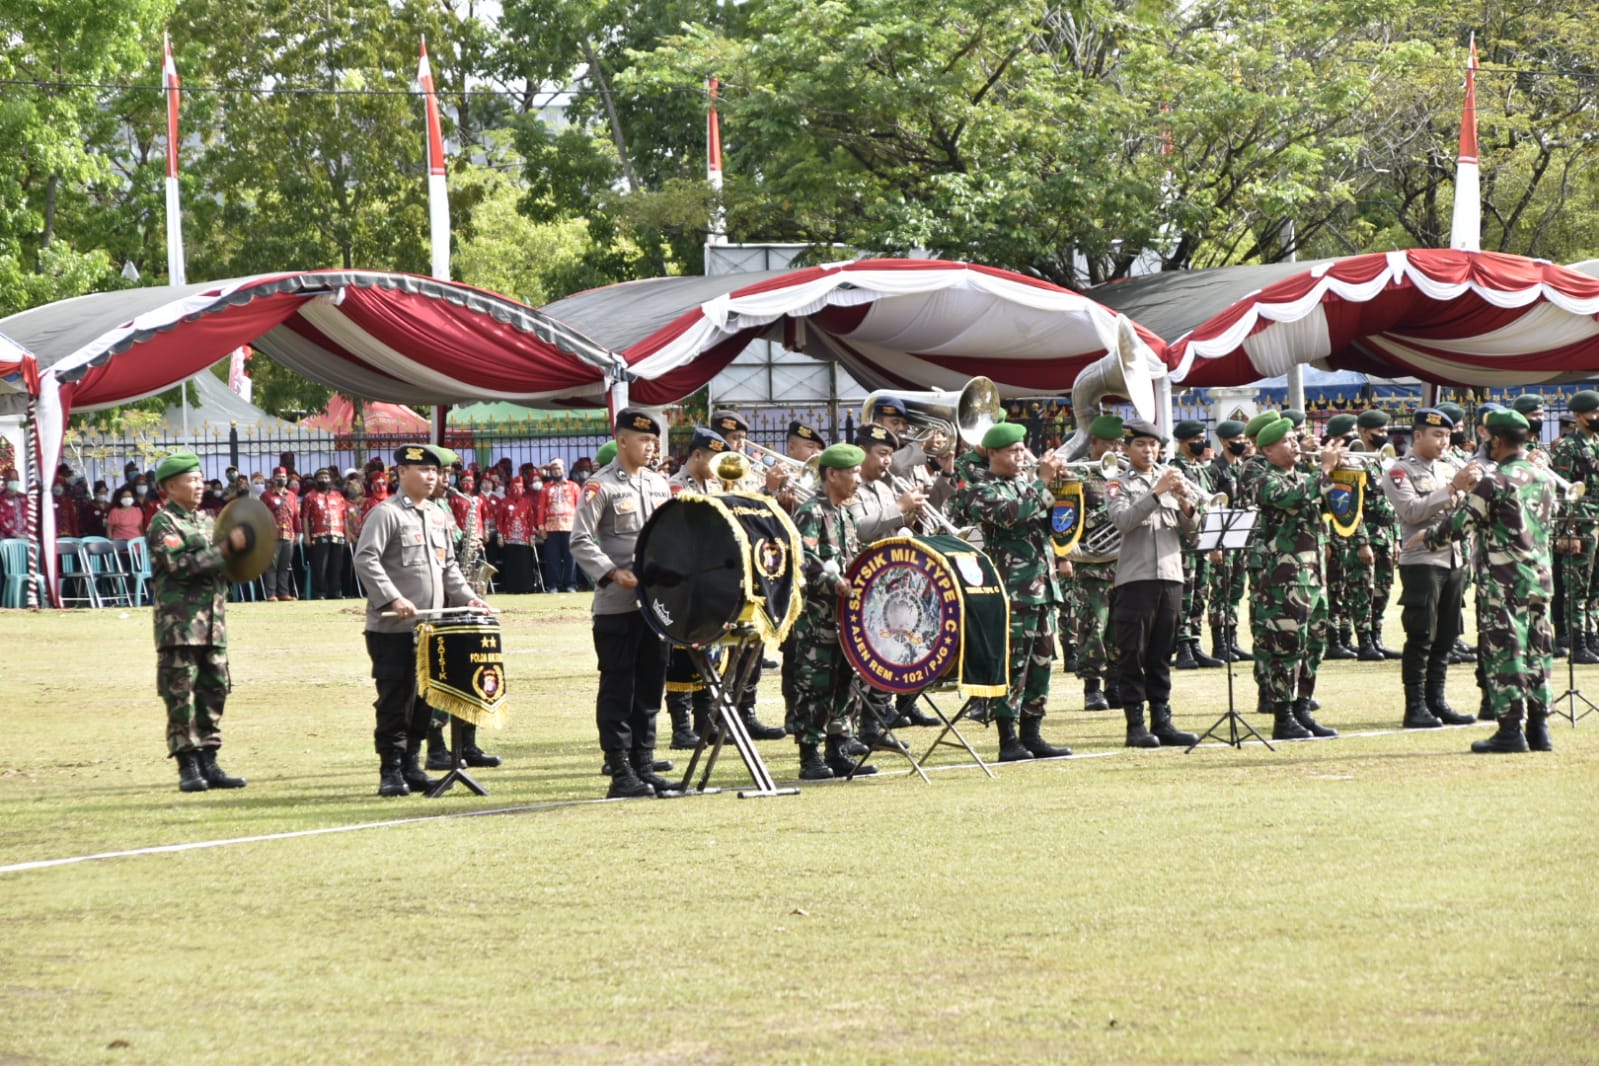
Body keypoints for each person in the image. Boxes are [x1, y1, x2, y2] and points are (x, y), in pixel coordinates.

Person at [1409, 409, 1557, 753]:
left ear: (1498, 440)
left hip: (1505, 581)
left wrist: (1425, 538)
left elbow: (1460, 524)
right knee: (1538, 652)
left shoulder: (1496, 481)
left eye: (1489, 438)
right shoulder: (1542, 477)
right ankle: (1539, 727)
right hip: (1539, 578)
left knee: (1505, 652)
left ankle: (1509, 730)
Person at [353, 444, 490, 797]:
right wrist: (393, 597)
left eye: (434, 471)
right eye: (423, 470)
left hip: (432, 626)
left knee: (424, 700)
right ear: (401, 473)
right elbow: (366, 560)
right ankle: (391, 769)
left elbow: (448, 569)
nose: (431, 477)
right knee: (396, 699)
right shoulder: (386, 514)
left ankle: (413, 764)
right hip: (393, 629)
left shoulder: (437, 515)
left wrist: (468, 598)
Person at [947, 421, 1073, 761]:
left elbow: (1056, 523)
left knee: (1041, 663)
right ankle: (1008, 738)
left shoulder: (1023, 482)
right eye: (1013, 451)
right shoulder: (980, 487)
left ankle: (1033, 733)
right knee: (1013, 665)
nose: (1021, 457)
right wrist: (1043, 481)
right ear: (993, 453)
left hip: (1043, 586)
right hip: (1012, 589)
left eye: (1023, 450)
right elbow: (1009, 515)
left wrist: (1062, 489)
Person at [570, 408, 677, 798]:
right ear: (623, 441)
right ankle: (619, 770)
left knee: (650, 685)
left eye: (655, 441)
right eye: (645, 440)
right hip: (617, 605)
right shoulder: (600, 487)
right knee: (619, 687)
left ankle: (643, 764)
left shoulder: (657, 484)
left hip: (655, 605)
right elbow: (580, 539)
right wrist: (613, 572)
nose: (652, 447)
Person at [146, 450, 253, 792]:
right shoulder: (164, 523)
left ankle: (210, 760)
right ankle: (187, 766)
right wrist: (225, 551)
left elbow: (227, 568)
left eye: (200, 479)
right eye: (190, 480)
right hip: (180, 626)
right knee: (181, 695)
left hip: (213, 624)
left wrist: (241, 555)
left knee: (214, 690)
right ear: (170, 486)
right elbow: (179, 566)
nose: (199, 485)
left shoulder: (208, 522)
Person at [1105, 419, 1202, 748]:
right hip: (1137, 578)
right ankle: (1135, 724)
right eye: (1141, 445)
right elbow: (1123, 521)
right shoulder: (1118, 484)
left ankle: (1163, 720)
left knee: (1163, 651)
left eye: (1153, 445)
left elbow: (1193, 534)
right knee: (1133, 652)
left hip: (1171, 575)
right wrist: (1156, 492)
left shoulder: (1173, 481)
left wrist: (1187, 503)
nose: (1149, 451)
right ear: (1126, 449)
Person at [1382, 407, 1481, 728]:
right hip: (1422, 560)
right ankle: (1415, 706)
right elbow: (1411, 511)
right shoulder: (1399, 470)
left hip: (1453, 558)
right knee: (1421, 634)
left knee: (1447, 635)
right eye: (1437, 435)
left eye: (1448, 436)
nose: (1443, 442)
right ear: (1418, 435)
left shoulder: (1445, 468)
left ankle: (1436, 701)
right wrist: (1452, 488)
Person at [789, 443, 877, 779]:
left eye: (858, 471)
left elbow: (851, 558)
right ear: (832, 474)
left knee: (845, 681)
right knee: (815, 685)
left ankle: (838, 747)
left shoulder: (845, 513)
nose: (857, 478)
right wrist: (832, 582)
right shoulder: (811, 512)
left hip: (845, 619)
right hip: (818, 619)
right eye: (852, 472)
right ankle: (810, 754)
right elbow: (804, 562)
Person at [1251, 417, 1340, 740]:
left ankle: (1302, 708)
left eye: (1294, 439)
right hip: (1284, 578)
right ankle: (1283, 716)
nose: (1295, 445)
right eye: (1287, 441)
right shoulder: (1264, 479)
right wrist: (1325, 471)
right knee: (1286, 646)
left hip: (1314, 574)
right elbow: (1294, 498)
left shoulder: (1304, 476)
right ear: (1268, 449)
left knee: (1314, 644)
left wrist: (1338, 474)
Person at [1066, 415, 1125, 711]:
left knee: (1119, 626)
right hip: (1092, 565)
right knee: (1095, 626)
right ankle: (1092, 687)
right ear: (1094, 443)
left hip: (1124, 564)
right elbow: (1064, 521)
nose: (1117, 447)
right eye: (1111, 442)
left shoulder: (1121, 476)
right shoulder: (1078, 476)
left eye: (1119, 442)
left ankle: (1115, 684)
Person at [1549, 390, 1599, 663]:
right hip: (1580, 524)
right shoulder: (1568, 448)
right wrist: (1568, 532)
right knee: (1576, 588)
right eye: (1594, 412)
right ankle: (1577, 643)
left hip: (1597, 523)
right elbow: (1562, 493)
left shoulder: (1596, 442)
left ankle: (1592, 638)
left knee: (1595, 588)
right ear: (1580, 416)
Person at [1169, 420, 1224, 670]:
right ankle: (1182, 645)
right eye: (1197, 438)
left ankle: (1195, 642)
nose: (1202, 442)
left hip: (1203, 541)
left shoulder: (1202, 470)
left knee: (1200, 593)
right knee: (1185, 595)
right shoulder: (1174, 469)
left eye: (1203, 436)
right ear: (1183, 442)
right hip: (1184, 542)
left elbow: (1210, 505)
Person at [1206, 419, 1253, 663]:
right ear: (1224, 441)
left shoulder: (1240, 468)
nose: (1243, 443)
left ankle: (1232, 639)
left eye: (1245, 439)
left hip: (1240, 538)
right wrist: (1214, 545)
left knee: (1235, 591)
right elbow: (1211, 510)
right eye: (1238, 439)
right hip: (1222, 540)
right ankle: (1219, 643)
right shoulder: (1215, 470)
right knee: (1220, 593)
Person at [303, 468, 349, 599]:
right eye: (321, 478)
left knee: (336, 565)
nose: (324, 480)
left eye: (326, 477)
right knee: (320, 566)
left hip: (337, 534)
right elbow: (305, 517)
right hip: (319, 534)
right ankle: (320, 592)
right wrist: (306, 535)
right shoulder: (309, 496)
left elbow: (344, 516)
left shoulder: (338, 496)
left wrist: (347, 534)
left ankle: (335, 591)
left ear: (331, 480)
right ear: (316, 480)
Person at [537, 457, 581, 592]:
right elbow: (541, 508)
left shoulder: (574, 486)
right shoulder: (546, 488)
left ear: (564, 470)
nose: (556, 471)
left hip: (570, 527)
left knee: (571, 557)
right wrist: (541, 527)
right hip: (551, 528)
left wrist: (580, 526)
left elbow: (580, 507)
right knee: (552, 558)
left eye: (558, 468)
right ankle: (554, 585)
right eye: (553, 469)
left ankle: (571, 584)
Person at [260, 467, 301, 601]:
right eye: (279, 477)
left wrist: (298, 532)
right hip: (272, 535)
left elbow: (296, 516)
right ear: (273, 479)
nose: (281, 479)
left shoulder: (292, 496)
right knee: (271, 566)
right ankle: (271, 593)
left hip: (288, 534)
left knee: (284, 566)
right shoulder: (266, 496)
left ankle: (284, 593)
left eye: (283, 477)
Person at [0, 469, 28, 540]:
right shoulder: (1, 499)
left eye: (16, 479)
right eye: (11, 479)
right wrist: (16, 535)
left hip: (26, 537)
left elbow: (31, 517)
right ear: (5, 482)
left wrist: (26, 534)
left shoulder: (25, 498)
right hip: (6, 541)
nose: (14, 481)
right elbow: (1, 522)